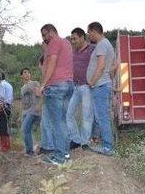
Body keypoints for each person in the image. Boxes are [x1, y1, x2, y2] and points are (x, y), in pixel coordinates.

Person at [35, 24, 74, 165]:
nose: (45, 38)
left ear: (53, 31)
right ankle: (64, 154)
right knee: (62, 121)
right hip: (68, 84)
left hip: (56, 86)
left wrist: (43, 85)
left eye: (46, 34)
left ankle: (60, 157)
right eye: (43, 36)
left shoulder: (54, 42)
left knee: (57, 123)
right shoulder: (66, 43)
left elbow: (51, 64)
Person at [86, 22, 116, 155]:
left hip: (100, 86)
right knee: (103, 117)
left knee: (102, 117)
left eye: (89, 33)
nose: (89, 36)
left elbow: (102, 65)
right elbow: (115, 65)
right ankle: (108, 145)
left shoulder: (101, 44)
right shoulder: (107, 44)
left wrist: (92, 82)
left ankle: (108, 147)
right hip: (103, 84)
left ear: (94, 31)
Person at [67, 27, 96, 150]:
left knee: (86, 115)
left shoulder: (91, 49)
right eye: (71, 39)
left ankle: (85, 142)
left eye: (74, 38)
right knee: (69, 114)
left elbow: (100, 64)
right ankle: (76, 140)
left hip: (87, 86)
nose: (72, 41)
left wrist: (93, 81)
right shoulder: (74, 52)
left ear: (82, 37)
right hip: (76, 86)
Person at [19, 68, 42, 155]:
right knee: (26, 130)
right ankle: (30, 149)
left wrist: (39, 106)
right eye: (25, 72)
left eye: (28, 72)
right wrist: (20, 114)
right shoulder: (22, 88)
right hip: (25, 111)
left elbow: (39, 95)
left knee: (25, 129)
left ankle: (30, 151)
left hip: (33, 110)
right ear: (21, 76)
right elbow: (23, 101)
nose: (27, 74)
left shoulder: (35, 83)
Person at [0, 71, 13, 152]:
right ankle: (7, 146)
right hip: (9, 107)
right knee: (4, 126)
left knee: (1, 126)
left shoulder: (2, 85)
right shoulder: (9, 85)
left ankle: (4, 147)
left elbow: (1, 97)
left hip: (3, 107)